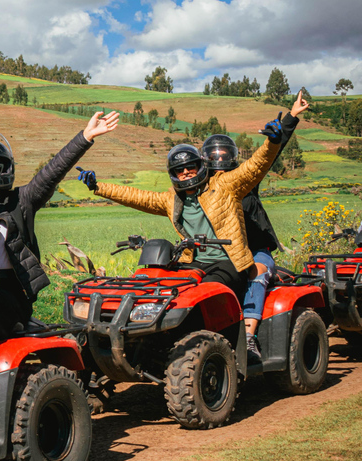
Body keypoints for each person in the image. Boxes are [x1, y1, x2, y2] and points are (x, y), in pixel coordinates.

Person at [0, 111, 120, 422]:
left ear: (7, 169)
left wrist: (85, 137)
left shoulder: (23, 200)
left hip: (8, 292)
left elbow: (53, 171)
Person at [77, 114, 283, 308]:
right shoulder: (172, 200)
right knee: (170, 293)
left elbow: (255, 166)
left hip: (228, 262)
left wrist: (272, 143)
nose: (185, 172)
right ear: (173, 173)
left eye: (190, 166)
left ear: (201, 166)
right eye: (179, 169)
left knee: (205, 295)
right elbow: (137, 197)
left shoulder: (224, 186)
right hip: (192, 262)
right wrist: (98, 187)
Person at [201, 91, 310, 361]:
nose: (219, 160)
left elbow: (271, 152)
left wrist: (292, 116)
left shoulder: (247, 179)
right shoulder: (200, 190)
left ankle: (249, 339)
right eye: (215, 155)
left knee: (256, 272)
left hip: (255, 249)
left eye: (224, 154)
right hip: (219, 255)